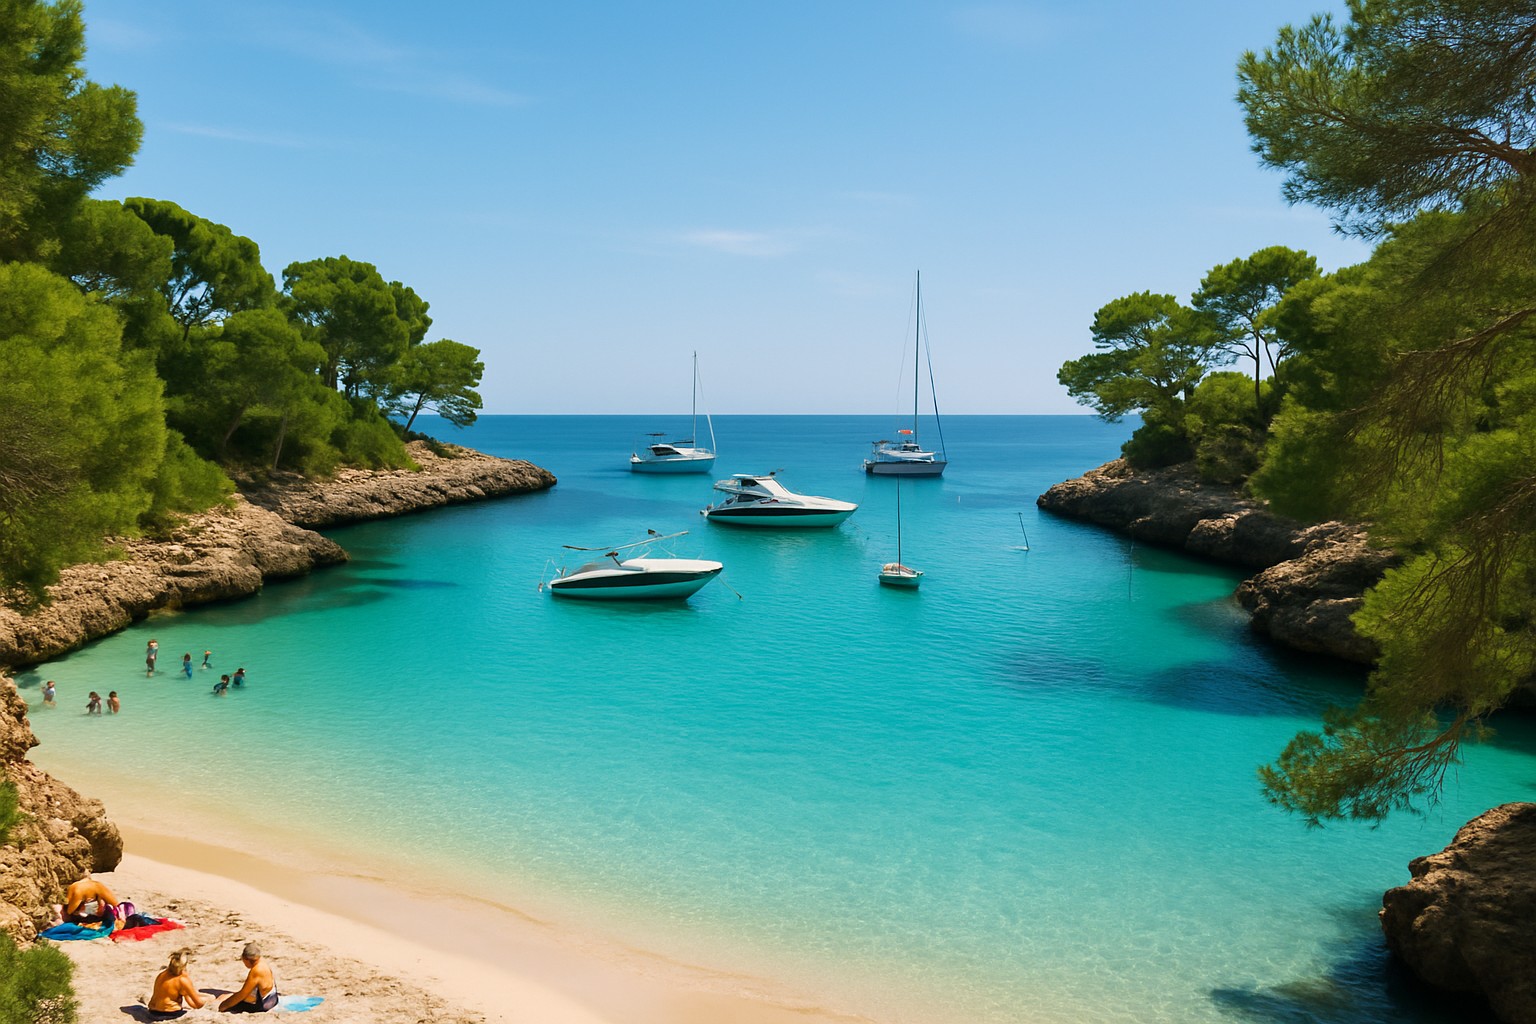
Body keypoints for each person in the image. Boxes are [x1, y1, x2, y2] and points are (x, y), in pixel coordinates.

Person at [145, 947, 207, 1020]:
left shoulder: (162, 974)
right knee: (210, 998)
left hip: (152, 1012)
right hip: (170, 1013)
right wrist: (206, 1001)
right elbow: (198, 1005)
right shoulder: (182, 980)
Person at [218, 941, 278, 1013]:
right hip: (272, 1000)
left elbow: (242, 994)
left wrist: (223, 1006)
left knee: (222, 1001)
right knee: (224, 996)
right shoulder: (263, 962)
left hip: (261, 1006)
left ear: (246, 959)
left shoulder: (256, 971)